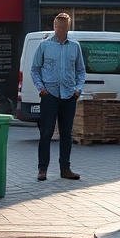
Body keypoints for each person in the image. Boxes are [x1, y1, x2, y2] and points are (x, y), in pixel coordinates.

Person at [31, 12, 86, 181]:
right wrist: (41, 89)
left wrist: (78, 89)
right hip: (50, 95)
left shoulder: (75, 47)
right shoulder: (45, 46)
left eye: (64, 27)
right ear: (54, 26)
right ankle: (42, 169)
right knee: (46, 133)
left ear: (68, 27)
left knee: (66, 134)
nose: (61, 30)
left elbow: (81, 70)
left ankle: (65, 169)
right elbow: (35, 69)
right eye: (58, 26)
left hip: (69, 96)